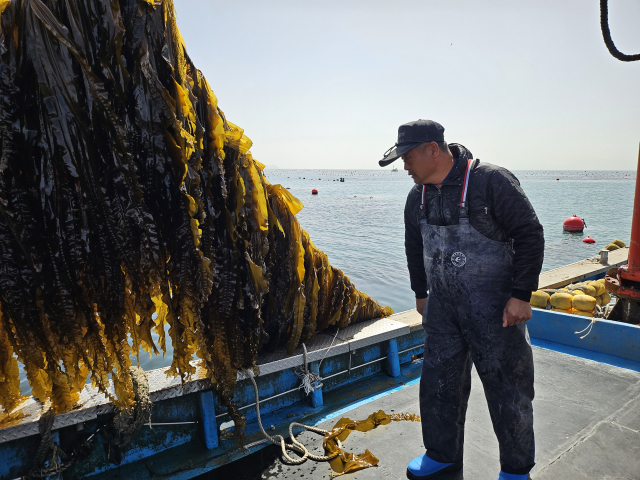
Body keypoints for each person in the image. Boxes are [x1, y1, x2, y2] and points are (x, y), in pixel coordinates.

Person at [379, 120, 544, 480]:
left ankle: (516, 470)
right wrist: (420, 293)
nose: (404, 166)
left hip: (496, 310)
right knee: (438, 385)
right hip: (443, 309)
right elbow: (414, 247)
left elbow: (530, 234)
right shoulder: (417, 196)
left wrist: (521, 295)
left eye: (407, 157)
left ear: (432, 150)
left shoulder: (491, 181)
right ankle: (441, 455)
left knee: (508, 390)